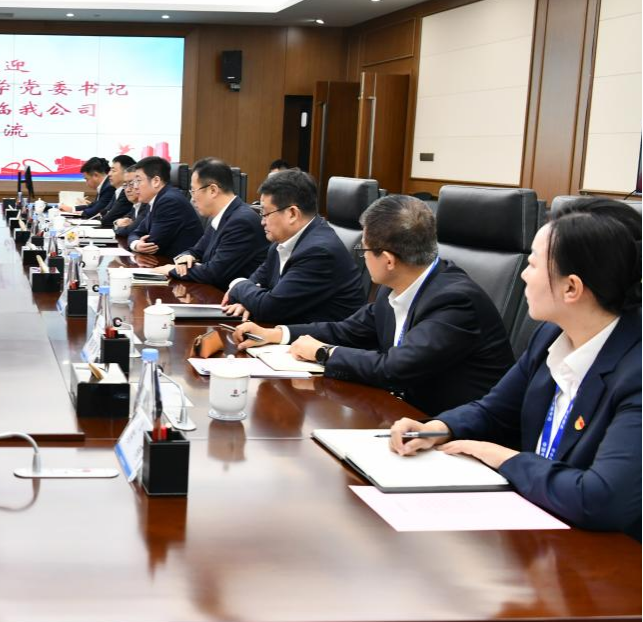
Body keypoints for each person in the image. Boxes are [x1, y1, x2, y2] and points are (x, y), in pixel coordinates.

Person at [388, 198, 641, 539]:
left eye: (533, 264)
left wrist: (503, 458)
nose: (523, 273)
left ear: (571, 288)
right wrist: (435, 429)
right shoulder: (551, 335)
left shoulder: (635, 370)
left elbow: (600, 499)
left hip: (611, 554)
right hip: (543, 526)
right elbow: (494, 410)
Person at [233, 195, 515, 414]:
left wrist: (323, 353)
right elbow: (348, 330)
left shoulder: (455, 301)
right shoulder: (395, 287)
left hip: (456, 433)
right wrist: (278, 334)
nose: (363, 257)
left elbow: (394, 368)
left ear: (389, 260)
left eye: (364, 249)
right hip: (403, 415)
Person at [221, 168, 363, 323]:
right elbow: (256, 281)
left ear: (292, 214)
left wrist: (237, 285)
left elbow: (270, 308)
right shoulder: (280, 243)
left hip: (317, 336)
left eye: (266, 213)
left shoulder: (319, 252)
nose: (262, 221)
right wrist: (248, 301)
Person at [150, 159, 268, 290]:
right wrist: (185, 258)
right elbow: (195, 251)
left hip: (231, 298)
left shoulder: (241, 221)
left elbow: (214, 273)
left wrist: (172, 270)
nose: (192, 199)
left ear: (213, 190)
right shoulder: (221, 216)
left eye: (193, 191)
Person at [127, 156, 204, 258]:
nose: (135, 187)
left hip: (178, 263)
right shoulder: (157, 199)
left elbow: (153, 245)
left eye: (138, 180)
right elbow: (135, 232)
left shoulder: (169, 201)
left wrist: (138, 244)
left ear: (156, 181)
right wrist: (136, 244)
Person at [112, 165, 145, 237]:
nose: (127, 190)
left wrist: (118, 227)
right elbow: (124, 219)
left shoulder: (147, 205)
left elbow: (128, 231)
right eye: (125, 185)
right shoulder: (136, 205)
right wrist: (117, 222)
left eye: (131, 184)